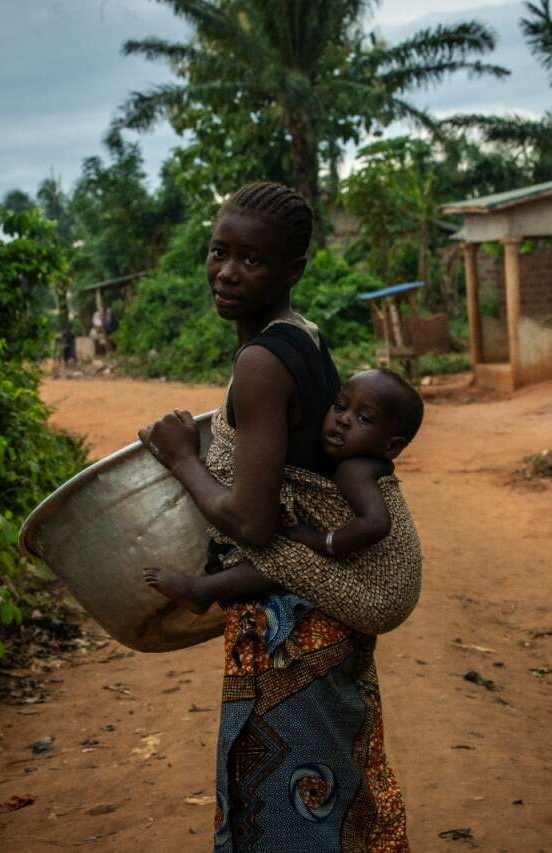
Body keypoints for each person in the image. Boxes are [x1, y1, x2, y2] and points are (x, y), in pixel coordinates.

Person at [138, 182, 411, 851]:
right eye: (218, 250)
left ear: (292, 270)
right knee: (333, 806)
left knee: (287, 820)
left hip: (289, 628)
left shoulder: (261, 362)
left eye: (251, 260)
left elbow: (253, 524)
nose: (227, 271)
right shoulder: (302, 337)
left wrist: (182, 460)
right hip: (322, 619)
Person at [142, 367, 424, 612]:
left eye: (364, 419)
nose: (343, 419)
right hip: (394, 594)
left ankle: (203, 590)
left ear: (391, 447)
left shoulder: (355, 470)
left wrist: (319, 541)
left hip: (381, 596)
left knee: (288, 555)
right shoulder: (362, 464)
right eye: (340, 406)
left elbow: (377, 524)